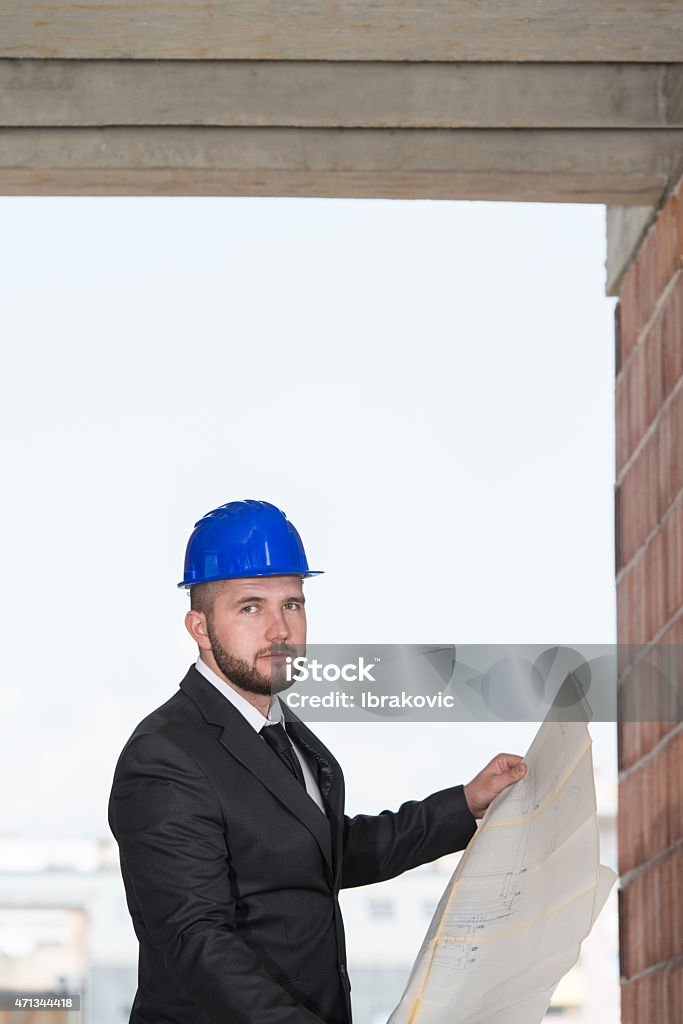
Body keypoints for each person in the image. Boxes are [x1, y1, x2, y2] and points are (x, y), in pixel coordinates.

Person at [109, 500, 527, 1024]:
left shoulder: (283, 733)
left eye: (292, 604)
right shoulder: (166, 755)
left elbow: (324, 850)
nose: (280, 629)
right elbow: (197, 942)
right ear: (198, 626)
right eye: (250, 607)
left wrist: (464, 804)